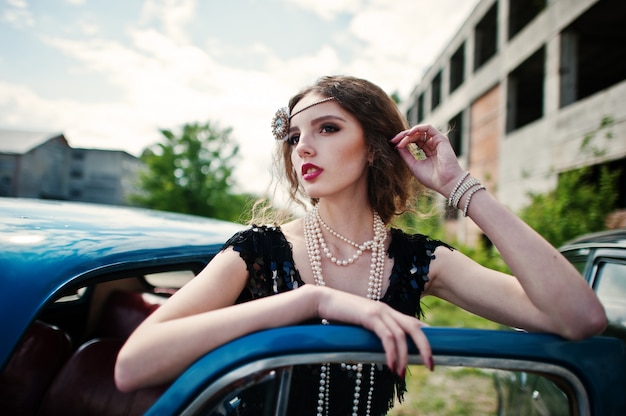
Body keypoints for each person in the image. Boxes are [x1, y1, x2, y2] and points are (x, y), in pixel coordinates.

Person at [115, 75, 607, 415]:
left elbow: (579, 318)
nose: (303, 147)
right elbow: (133, 366)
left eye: (327, 128)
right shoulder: (256, 254)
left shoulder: (418, 262)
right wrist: (311, 300)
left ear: (373, 145)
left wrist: (459, 186)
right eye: (293, 136)